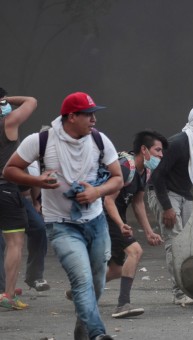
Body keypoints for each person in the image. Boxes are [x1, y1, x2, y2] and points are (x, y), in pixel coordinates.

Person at [3, 91, 123, 340]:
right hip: (61, 225)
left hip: (96, 221)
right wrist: (36, 179)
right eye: (88, 115)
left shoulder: (100, 140)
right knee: (81, 279)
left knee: (98, 280)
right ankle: (97, 334)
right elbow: (10, 169)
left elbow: (118, 178)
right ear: (71, 116)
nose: (94, 120)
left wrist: (96, 192)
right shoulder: (41, 140)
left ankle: (84, 324)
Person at [148, 104, 193, 305]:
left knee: (190, 242)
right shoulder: (179, 143)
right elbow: (158, 175)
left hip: (184, 194)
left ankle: (192, 288)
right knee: (175, 242)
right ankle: (179, 292)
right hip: (165, 194)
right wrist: (167, 208)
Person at [102, 130, 167, 319]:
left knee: (115, 269)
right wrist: (121, 223)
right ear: (144, 149)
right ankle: (122, 304)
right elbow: (108, 200)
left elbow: (138, 202)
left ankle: (82, 290)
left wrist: (149, 231)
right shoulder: (125, 168)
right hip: (105, 215)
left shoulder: (145, 171)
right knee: (135, 251)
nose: (160, 156)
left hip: (116, 217)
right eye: (157, 151)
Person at [0, 88, 37, 310]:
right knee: (14, 243)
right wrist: (6, 100)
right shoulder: (8, 123)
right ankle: (8, 295)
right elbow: (31, 100)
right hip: (5, 189)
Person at [0, 162, 51, 294]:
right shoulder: (11, 148)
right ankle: (4, 287)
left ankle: (34, 276)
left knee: (38, 227)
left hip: (17, 196)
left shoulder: (33, 156)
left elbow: (35, 180)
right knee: (6, 241)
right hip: (5, 193)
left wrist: (36, 202)